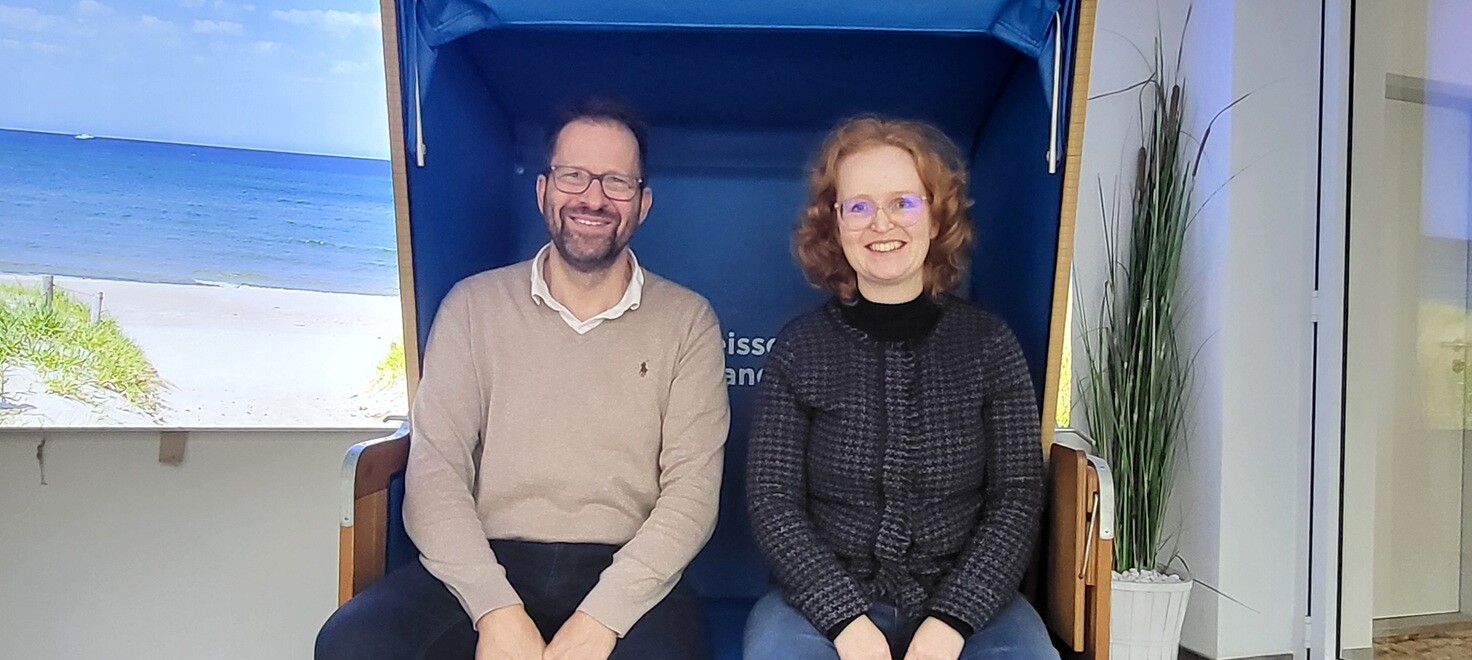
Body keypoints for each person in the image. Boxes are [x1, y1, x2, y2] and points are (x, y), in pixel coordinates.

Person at [316, 99, 730, 660]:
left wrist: (601, 620)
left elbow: (692, 494)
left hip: (627, 570)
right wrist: (495, 610)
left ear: (643, 203)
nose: (593, 198)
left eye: (616, 182)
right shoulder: (472, 306)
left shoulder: (688, 320)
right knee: (353, 646)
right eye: (573, 176)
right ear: (542, 191)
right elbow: (436, 473)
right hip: (485, 558)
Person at [743, 116, 1056, 660]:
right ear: (834, 225)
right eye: (858, 206)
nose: (879, 223)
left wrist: (951, 620)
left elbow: (1017, 498)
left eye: (903, 203)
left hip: (974, 604)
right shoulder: (799, 348)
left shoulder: (988, 343)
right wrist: (845, 621)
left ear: (935, 217)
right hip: (817, 605)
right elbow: (774, 503)